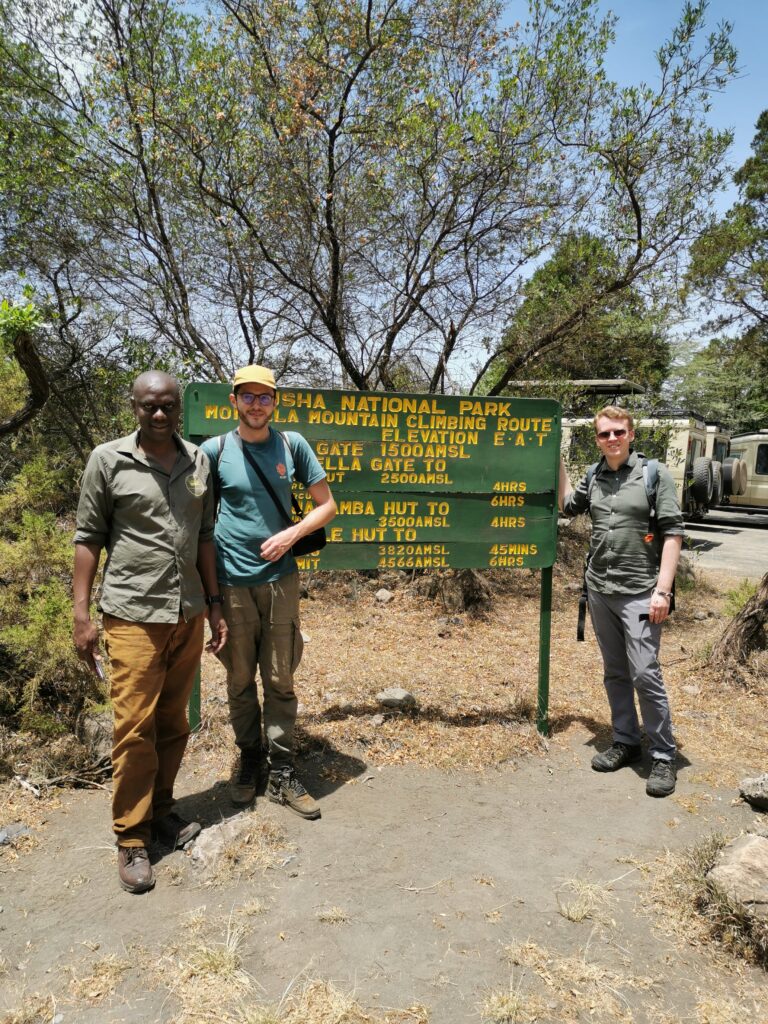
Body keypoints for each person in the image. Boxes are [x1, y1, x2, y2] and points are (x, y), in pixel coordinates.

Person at [73, 371, 228, 894]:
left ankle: (162, 809)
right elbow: (89, 538)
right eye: (148, 407)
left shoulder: (198, 461)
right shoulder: (108, 460)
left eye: (167, 406)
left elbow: (204, 536)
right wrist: (82, 616)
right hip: (132, 615)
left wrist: (214, 604)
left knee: (173, 721)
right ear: (133, 407)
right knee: (133, 727)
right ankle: (131, 837)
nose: (159, 415)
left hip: (187, 612)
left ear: (179, 408)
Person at [201, 364, 336, 820]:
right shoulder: (214, 450)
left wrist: (291, 535)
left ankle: (281, 769)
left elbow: (327, 505)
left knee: (280, 677)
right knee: (239, 680)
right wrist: (208, 596)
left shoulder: (291, 444)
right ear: (233, 401)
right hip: (231, 583)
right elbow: (198, 523)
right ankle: (250, 758)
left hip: (280, 582)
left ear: (274, 403)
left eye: (265, 397)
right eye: (248, 397)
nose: (257, 405)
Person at [559, 406, 684, 797]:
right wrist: (555, 460)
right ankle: (626, 741)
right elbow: (567, 507)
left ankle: (664, 756)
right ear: (596, 439)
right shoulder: (594, 475)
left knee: (645, 672)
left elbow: (673, 533)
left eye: (617, 432)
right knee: (615, 671)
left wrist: (663, 590)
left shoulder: (653, 474)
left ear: (631, 435)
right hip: (599, 589)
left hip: (642, 593)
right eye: (603, 434)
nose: (611, 439)